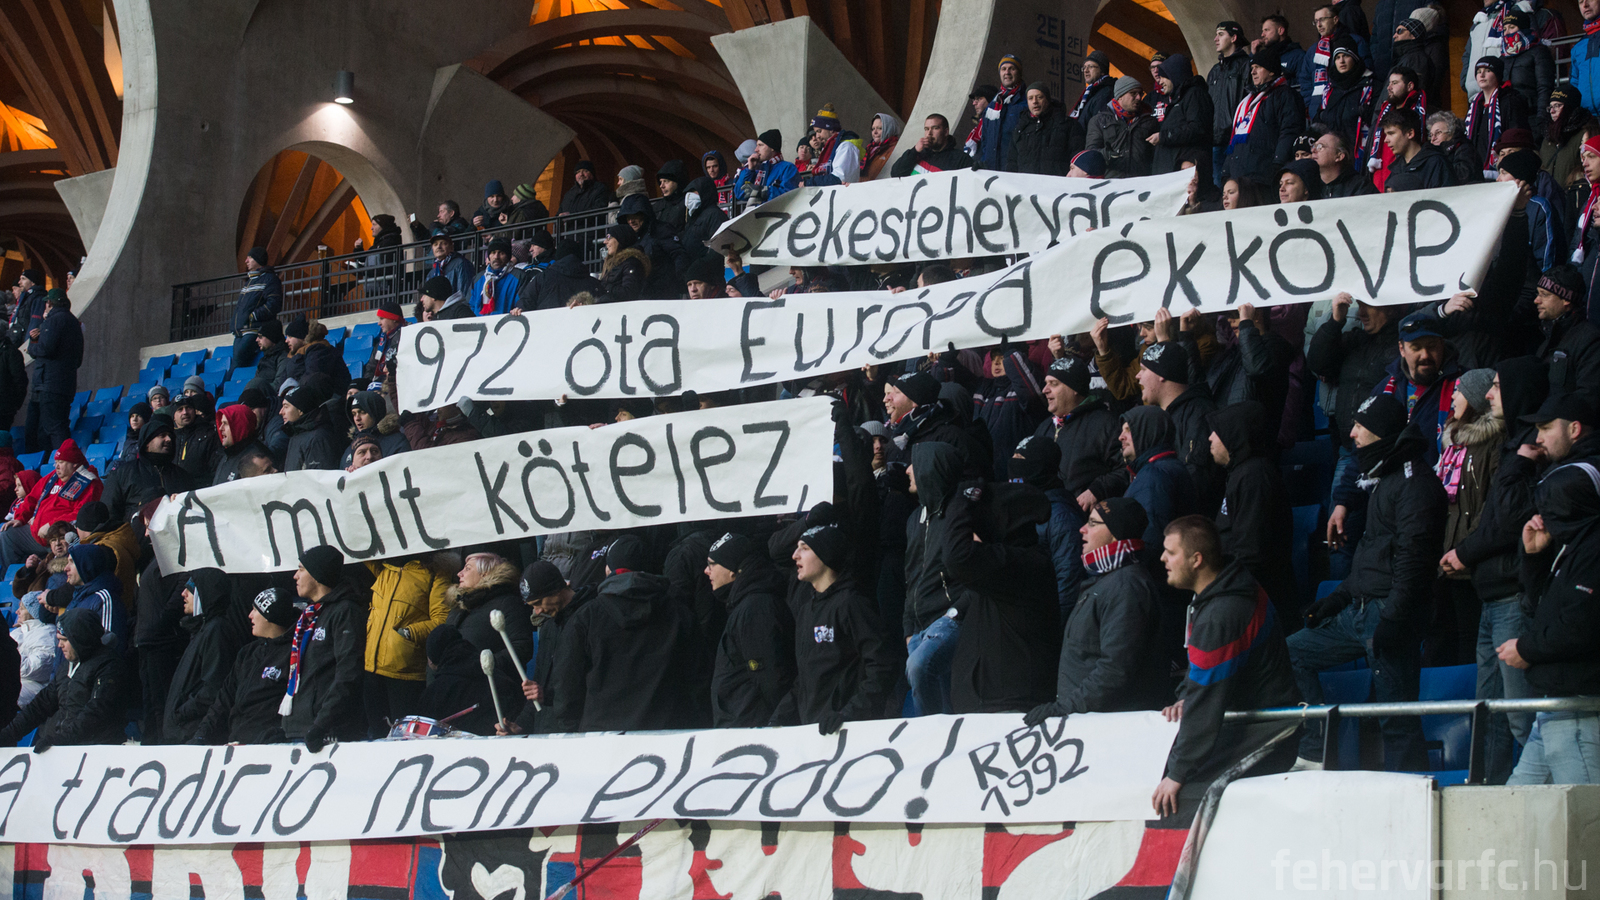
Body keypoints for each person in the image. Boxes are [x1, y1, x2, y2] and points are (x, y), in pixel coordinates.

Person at [1291, 394, 1444, 771]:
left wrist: (1394, 619)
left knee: (1396, 720)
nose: (1353, 433)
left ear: (1381, 432)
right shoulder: (1383, 477)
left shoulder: (1415, 484)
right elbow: (1371, 560)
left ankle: (1412, 793)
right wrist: (1337, 598)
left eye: (1361, 426)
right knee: (1292, 652)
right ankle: (1315, 749)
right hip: (1358, 612)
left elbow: (1414, 561)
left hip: (1388, 615)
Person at [1441, 358, 1549, 781]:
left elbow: (1504, 520)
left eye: (1498, 386)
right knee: (1489, 714)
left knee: (1520, 717)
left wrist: (1465, 553)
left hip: (1511, 594)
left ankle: (1546, 794)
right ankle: (1489, 793)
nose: (1489, 395)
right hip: (1490, 593)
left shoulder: (1527, 450)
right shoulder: (1513, 447)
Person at [1152, 516, 1300, 819]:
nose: (1162, 558)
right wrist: (1186, 695)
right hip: (1254, 722)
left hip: (1269, 731)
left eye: (1171, 552)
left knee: (1178, 797)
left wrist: (1178, 773)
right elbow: (1204, 677)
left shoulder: (1221, 615)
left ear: (1196, 560)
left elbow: (1206, 701)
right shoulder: (1225, 588)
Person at [1498, 459, 1600, 784]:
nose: (1541, 518)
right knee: (1517, 804)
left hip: (1578, 707)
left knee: (1584, 807)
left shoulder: (1593, 550)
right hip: (1554, 706)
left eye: (1548, 508)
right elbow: (1538, 608)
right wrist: (1534, 557)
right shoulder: (1572, 547)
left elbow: (1580, 625)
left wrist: (1526, 649)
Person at [1025, 498, 1169, 725]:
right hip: (1091, 720)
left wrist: (1066, 707)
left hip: (1109, 727)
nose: (1082, 529)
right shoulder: (1109, 580)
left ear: (1115, 534)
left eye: (1093, 523)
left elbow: (1115, 669)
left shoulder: (1126, 586)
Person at [546, 536, 706, 732]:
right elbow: (699, 680)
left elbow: (567, 685)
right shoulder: (680, 614)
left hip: (602, 737)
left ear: (608, 570)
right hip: (667, 734)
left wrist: (573, 732)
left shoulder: (585, 618)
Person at [771, 514, 898, 733]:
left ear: (826, 555)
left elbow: (883, 664)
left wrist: (849, 714)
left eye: (804, 548)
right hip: (816, 733)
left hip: (850, 733)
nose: (794, 555)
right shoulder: (806, 611)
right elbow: (805, 679)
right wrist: (779, 718)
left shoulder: (852, 604)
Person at [942, 479, 1060, 713]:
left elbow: (956, 556)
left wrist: (963, 498)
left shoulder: (1025, 563)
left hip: (1007, 711)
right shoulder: (1010, 563)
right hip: (990, 708)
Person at [1209, 401, 1298, 622]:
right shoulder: (1241, 473)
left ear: (1234, 435)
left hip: (1258, 605)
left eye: (1217, 431)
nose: (1210, 438)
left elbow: (1251, 553)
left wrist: (1222, 590)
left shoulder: (1254, 477)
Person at [703, 532, 796, 727]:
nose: (706, 571)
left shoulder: (755, 608)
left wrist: (775, 726)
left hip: (753, 727)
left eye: (712, 564)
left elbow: (772, 678)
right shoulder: (748, 604)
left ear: (732, 569)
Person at [0, 609, 125, 750]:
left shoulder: (108, 666)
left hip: (98, 749)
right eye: (59, 640)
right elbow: (40, 705)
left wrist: (61, 739)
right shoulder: (66, 666)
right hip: (68, 746)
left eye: (65, 640)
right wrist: (8, 735)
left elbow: (97, 710)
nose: (60, 645)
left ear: (81, 638)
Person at [281, 546, 366, 750]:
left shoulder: (345, 611)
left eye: (301, 569)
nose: (295, 576)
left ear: (317, 574)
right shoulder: (310, 616)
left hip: (327, 731)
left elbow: (349, 672)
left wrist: (322, 724)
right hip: (300, 728)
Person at [190, 586, 298, 744]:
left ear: (269, 616)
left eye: (255, 610)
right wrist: (201, 736)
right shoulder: (248, 653)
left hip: (269, 748)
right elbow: (223, 700)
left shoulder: (293, 654)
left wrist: (271, 737)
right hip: (236, 743)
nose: (250, 615)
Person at [362, 553, 451, 737]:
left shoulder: (436, 574)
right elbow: (360, 546)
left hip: (406, 675)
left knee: (404, 738)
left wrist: (408, 633)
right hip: (371, 670)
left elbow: (441, 620)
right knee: (377, 737)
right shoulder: (386, 570)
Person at [163, 569, 251, 744]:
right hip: (185, 732)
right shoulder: (202, 631)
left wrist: (180, 713)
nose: (183, 593)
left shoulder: (216, 630)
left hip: (193, 734)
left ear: (204, 594)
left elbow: (214, 687)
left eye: (190, 589)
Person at [505, 560, 594, 735]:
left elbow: (588, 685)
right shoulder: (548, 628)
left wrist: (547, 696)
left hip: (580, 732)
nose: (537, 611)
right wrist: (521, 726)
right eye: (532, 606)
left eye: (539, 603)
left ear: (557, 590)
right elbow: (539, 685)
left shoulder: (590, 618)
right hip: (548, 733)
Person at [446, 552, 531, 706]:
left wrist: (485, 665)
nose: (459, 573)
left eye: (467, 568)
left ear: (485, 573)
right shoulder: (458, 608)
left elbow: (522, 646)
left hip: (495, 697)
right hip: (458, 695)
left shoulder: (508, 603)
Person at [1, 440, 101, 569]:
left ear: (75, 464)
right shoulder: (53, 477)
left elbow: (81, 514)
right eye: (56, 462)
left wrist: (52, 526)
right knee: (7, 534)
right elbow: (32, 497)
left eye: (61, 462)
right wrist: (21, 518)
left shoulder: (88, 482)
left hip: (62, 540)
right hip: (37, 535)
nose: (56, 466)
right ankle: (12, 578)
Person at [1225, 42, 1308, 188]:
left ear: (1271, 71)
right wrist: (1226, 170)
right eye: (1252, 68)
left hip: (1265, 175)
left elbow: (1290, 130)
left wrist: (1278, 163)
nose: (1253, 72)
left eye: (1258, 67)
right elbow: (1235, 139)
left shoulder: (1286, 95)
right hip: (1240, 176)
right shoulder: (1247, 101)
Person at [1118, 405, 1200, 546]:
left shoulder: (1155, 474)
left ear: (1149, 432)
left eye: (1129, 430)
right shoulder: (1162, 468)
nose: (1120, 437)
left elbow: (1151, 538)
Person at [101, 418, 190, 523]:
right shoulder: (123, 473)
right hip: (134, 532)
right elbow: (108, 512)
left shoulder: (183, 476)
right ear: (147, 442)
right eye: (162, 435)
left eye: (170, 436)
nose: (169, 439)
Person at [27, 290, 82, 452]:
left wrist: (33, 344)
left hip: (48, 385)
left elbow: (44, 349)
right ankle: (58, 462)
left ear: (49, 303)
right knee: (54, 427)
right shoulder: (74, 322)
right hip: (65, 385)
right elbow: (78, 360)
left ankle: (62, 461)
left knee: (53, 429)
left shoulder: (53, 321)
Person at [1152, 54, 1214, 185]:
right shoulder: (1179, 98)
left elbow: (1197, 129)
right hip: (1173, 175)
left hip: (1185, 175)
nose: (1160, 82)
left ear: (1174, 75)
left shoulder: (1195, 94)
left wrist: (1164, 137)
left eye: (1163, 77)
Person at [1208, 22, 1253, 186]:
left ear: (1234, 38)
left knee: (1237, 188)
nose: (1215, 39)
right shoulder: (1214, 70)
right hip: (1214, 140)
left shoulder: (1247, 65)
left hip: (1236, 139)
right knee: (1219, 188)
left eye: (1220, 34)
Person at [1087, 77, 1158, 177]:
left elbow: (1156, 156)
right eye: (1133, 93)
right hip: (1110, 182)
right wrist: (1108, 154)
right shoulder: (1099, 121)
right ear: (1120, 96)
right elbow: (1090, 154)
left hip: (1141, 182)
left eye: (1140, 93)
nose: (1138, 97)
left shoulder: (1149, 121)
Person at [229, 247, 281, 379]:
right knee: (237, 365)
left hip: (253, 330)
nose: (246, 261)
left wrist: (253, 316)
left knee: (236, 366)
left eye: (250, 258)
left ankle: (227, 386)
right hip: (240, 332)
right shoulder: (249, 282)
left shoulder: (270, 279)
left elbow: (274, 304)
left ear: (258, 260)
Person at [973, 53, 1029, 170]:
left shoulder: (1027, 103)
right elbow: (985, 140)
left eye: (1012, 68)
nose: (1007, 72)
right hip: (992, 170)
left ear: (1019, 72)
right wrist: (984, 162)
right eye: (1003, 69)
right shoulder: (992, 105)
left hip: (1015, 171)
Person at [1381, 107, 1453, 191]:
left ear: (1410, 133)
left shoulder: (1436, 163)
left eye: (1391, 133)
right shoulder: (1396, 169)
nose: (1386, 140)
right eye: (1386, 134)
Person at [281, 378, 345, 471]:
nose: (281, 412)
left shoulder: (318, 439)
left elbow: (320, 476)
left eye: (286, 407)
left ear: (300, 410)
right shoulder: (296, 435)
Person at [1007, 83, 1072, 175]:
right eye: (1030, 98)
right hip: (1026, 183)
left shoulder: (1067, 125)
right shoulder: (1020, 129)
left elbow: (1076, 161)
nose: (1035, 101)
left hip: (1058, 183)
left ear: (1048, 99)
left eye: (1039, 97)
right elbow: (1011, 163)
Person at [1539, 84, 1593, 190]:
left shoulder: (1585, 135)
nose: (1552, 111)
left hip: (1573, 197)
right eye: (1550, 107)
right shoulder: (1547, 137)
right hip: (1548, 197)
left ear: (1570, 107)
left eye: (1557, 105)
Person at [891, 114, 976, 177]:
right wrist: (914, 151)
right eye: (926, 129)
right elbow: (895, 173)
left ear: (946, 132)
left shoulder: (960, 159)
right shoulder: (917, 154)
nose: (929, 133)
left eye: (935, 128)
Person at [12, 593, 56, 706]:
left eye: (22, 608)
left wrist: (8, 657)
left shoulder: (48, 633)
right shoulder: (18, 632)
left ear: (33, 612)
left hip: (35, 687)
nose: (17, 612)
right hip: (14, 681)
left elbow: (36, 669)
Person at [734, 130, 799, 202]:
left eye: (760, 145)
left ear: (772, 147)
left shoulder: (788, 168)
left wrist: (763, 191)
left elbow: (790, 195)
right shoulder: (758, 168)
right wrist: (750, 169)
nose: (756, 149)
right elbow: (740, 194)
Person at [1067, 51, 1115, 142]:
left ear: (1102, 71)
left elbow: (1099, 127)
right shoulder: (1091, 92)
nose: (1086, 70)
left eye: (1090, 67)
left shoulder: (1105, 92)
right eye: (1084, 67)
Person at [1311, 130, 1375, 197]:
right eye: (1313, 146)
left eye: (1320, 146)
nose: (1313, 150)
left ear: (1339, 156)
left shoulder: (1361, 187)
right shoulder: (1309, 184)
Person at [470, 238, 522, 316]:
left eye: (501, 253)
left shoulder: (519, 277)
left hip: (506, 323)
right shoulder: (478, 279)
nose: (496, 257)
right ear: (489, 256)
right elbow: (470, 306)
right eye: (493, 253)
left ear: (508, 256)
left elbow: (522, 304)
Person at [424, 231, 475, 300]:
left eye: (443, 243)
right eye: (435, 244)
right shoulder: (432, 273)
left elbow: (465, 293)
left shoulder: (461, 264)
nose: (439, 247)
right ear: (432, 249)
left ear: (451, 247)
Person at [862, 112, 903, 180]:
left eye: (880, 128)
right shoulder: (869, 150)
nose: (875, 132)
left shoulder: (894, 150)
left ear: (890, 129)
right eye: (873, 128)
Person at [407, 199, 471, 241]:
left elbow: (450, 232)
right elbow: (426, 238)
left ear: (451, 213)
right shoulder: (440, 228)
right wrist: (417, 225)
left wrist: (437, 226)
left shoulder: (460, 225)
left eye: (441, 212)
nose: (438, 215)